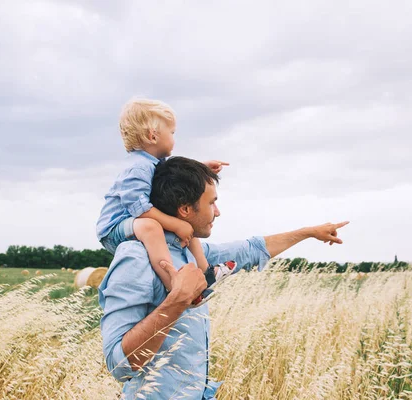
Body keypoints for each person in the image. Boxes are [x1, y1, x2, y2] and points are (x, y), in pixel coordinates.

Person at [99, 156, 349, 399]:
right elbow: (118, 365)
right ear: (185, 209)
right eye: (211, 203)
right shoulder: (135, 258)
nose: (217, 212)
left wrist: (308, 233)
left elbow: (250, 249)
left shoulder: (192, 252)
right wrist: (177, 300)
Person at [95, 98, 235, 306]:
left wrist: (201, 168)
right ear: (153, 136)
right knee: (153, 226)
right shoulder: (138, 167)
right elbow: (139, 209)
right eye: (172, 133)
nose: (174, 138)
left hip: (136, 222)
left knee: (190, 227)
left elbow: (173, 177)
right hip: (115, 227)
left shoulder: (153, 163)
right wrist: (175, 224)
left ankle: (206, 274)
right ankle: (175, 286)